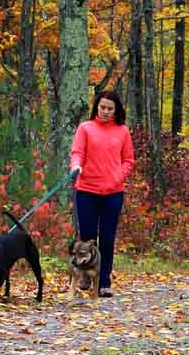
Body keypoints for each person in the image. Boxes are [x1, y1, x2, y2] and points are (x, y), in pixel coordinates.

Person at [69, 89, 134, 296]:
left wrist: (118, 176)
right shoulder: (85, 128)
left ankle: (104, 281)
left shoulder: (122, 131)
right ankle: (86, 276)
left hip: (113, 192)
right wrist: (76, 167)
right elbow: (77, 152)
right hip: (86, 190)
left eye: (110, 109)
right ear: (97, 107)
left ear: (116, 110)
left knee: (107, 237)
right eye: (102, 107)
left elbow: (128, 160)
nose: (105, 111)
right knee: (88, 236)